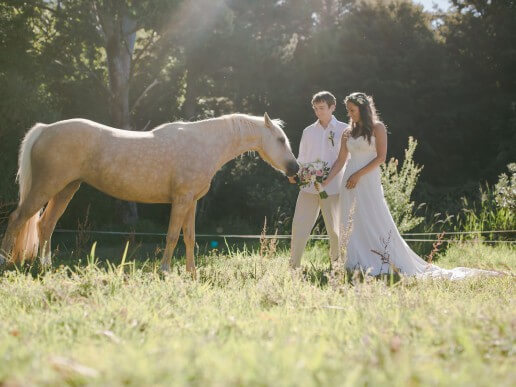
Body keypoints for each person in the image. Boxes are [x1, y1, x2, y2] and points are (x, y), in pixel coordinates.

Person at [322, 92, 499, 279]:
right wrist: (326, 180)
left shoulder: (377, 128)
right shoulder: (347, 132)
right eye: (348, 110)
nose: (350, 114)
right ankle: (355, 262)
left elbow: (381, 157)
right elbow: (341, 161)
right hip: (348, 183)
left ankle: (382, 260)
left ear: (363, 109)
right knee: (352, 220)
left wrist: (358, 174)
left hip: (367, 179)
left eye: (353, 110)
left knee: (375, 217)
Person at [289, 91, 349, 269]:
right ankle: (294, 266)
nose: (318, 112)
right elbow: (302, 158)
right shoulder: (308, 131)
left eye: (322, 108)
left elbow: (345, 159)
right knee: (299, 227)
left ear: (333, 107)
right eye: (315, 108)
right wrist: (295, 174)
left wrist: (326, 181)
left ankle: (337, 267)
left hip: (333, 188)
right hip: (307, 188)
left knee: (335, 230)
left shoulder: (344, 129)